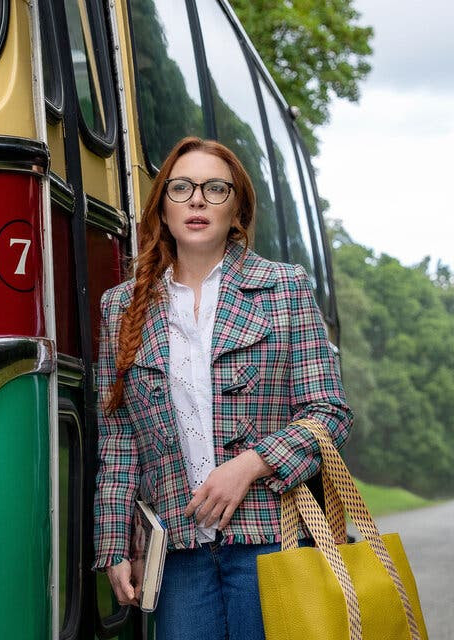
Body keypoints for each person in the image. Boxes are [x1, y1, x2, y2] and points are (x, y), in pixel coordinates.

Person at [92, 137, 352, 640]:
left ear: (236, 209)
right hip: (178, 549)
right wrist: (115, 546)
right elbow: (119, 440)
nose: (196, 200)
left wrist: (249, 465)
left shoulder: (284, 287)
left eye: (215, 189)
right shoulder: (121, 306)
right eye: (182, 187)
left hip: (272, 538)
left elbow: (329, 412)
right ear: (161, 207)